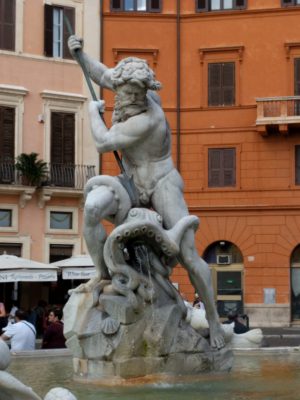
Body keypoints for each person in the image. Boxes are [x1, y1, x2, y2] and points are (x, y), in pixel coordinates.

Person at [67, 36, 225, 350]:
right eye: (124, 92)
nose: (125, 98)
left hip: (161, 182)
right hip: (129, 182)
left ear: (144, 92)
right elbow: (101, 75)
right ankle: (101, 274)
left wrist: (92, 111)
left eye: (134, 94)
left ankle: (215, 320)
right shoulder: (124, 85)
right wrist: (79, 54)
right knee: (93, 208)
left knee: (190, 255)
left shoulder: (149, 118)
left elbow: (104, 143)